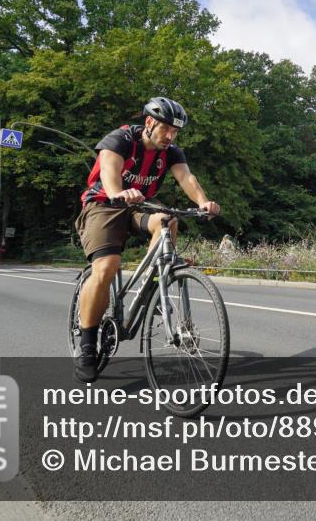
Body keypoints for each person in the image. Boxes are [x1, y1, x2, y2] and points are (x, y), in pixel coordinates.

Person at [73, 97, 220, 383]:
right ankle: (87, 346)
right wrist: (119, 192)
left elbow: (186, 178)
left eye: (175, 132)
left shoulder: (172, 152)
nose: (170, 136)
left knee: (169, 219)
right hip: (104, 204)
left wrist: (203, 202)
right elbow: (109, 170)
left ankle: (153, 282)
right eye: (166, 129)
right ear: (150, 122)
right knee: (107, 266)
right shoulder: (121, 139)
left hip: (142, 206)